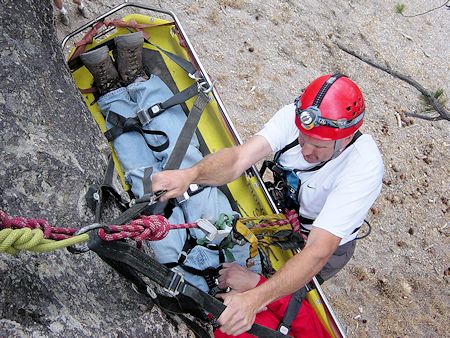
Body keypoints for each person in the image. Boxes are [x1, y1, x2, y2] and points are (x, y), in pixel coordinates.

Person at [152, 72, 384, 335]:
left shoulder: (363, 167)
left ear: (345, 139)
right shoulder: (297, 116)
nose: (306, 150)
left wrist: (255, 297)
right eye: (303, 139)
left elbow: (318, 250)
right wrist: (190, 175)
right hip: (286, 217)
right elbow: (239, 158)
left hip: (322, 243)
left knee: (289, 299)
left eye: (318, 146)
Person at [78, 31, 261, 292]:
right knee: (187, 162)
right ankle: (138, 80)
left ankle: (112, 94)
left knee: (144, 182)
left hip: (184, 278)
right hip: (234, 255)